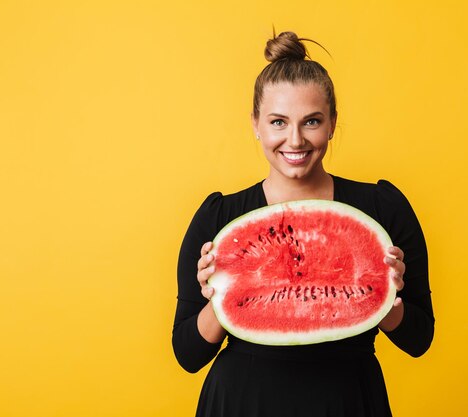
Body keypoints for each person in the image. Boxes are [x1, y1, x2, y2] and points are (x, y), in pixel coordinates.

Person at [172, 31, 434, 417]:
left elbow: (419, 339)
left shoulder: (383, 208)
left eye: (311, 121)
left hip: (347, 401)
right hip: (241, 403)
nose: (294, 140)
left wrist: (385, 297)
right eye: (278, 122)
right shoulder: (218, 218)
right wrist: (221, 301)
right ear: (256, 125)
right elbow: (188, 355)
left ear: (332, 124)